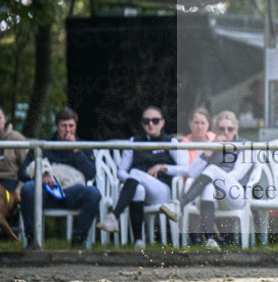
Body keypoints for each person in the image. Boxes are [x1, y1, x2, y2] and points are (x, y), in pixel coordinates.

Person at [159, 110, 252, 250]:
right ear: (215, 130)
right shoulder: (212, 146)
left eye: (230, 129)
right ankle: (210, 239)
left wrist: (214, 175)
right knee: (208, 187)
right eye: (221, 129)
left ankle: (180, 204)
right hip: (215, 196)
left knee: (212, 171)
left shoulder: (245, 145)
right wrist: (209, 150)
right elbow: (192, 172)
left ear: (236, 130)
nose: (226, 132)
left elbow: (238, 175)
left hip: (236, 195)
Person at [17, 107, 101, 250]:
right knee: (28, 188)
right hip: (45, 191)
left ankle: (78, 240)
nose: (68, 130)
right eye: (64, 126)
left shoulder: (83, 147)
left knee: (94, 193)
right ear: (57, 126)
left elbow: (90, 174)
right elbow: (22, 173)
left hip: (71, 192)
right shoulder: (42, 145)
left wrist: (76, 151)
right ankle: (32, 239)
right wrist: (40, 178)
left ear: (76, 127)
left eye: (71, 126)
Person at [95, 106, 179, 249]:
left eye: (155, 120)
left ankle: (113, 216)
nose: (151, 124)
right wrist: (132, 181)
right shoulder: (134, 141)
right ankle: (139, 241)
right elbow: (121, 171)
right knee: (137, 188)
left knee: (135, 172)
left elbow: (185, 168)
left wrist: (163, 167)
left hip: (163, 191)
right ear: (142, 124)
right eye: (146, 121)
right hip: (141, 190)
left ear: (163, 122)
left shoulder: (171, 141)